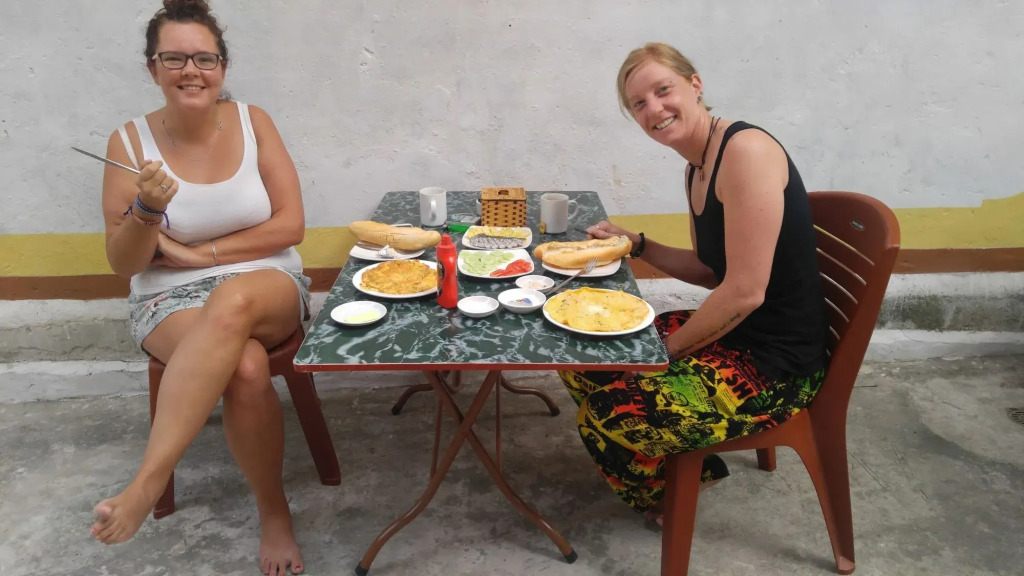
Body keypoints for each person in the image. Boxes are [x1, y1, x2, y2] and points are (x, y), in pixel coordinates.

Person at [561, 43, 829, 523]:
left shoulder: (745, 151)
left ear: (695, 85)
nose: (654, 109)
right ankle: (683, 466)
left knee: (606, 413)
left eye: (663, 90)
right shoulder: (698, 165)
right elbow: (710, 270)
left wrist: (666, 355)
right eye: (639, 104)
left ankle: (668, 495)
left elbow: (745, 291)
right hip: (739, 333)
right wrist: (637, 244)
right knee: (580, 353)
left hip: (777, 363)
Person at [90, 1, 310, 573]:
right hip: (168, 298)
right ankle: (274, 511)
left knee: (231, 300)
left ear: (222, 66)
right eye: (174, 58)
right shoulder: (128, 143)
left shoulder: (253, 121)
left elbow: (290, 225)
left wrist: (200, 254)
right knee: (246, 368)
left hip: (265, 281)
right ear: (153, 68)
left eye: (204, 58)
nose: (191, 70)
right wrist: (146, 210)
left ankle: (146, 482)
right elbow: (123, 264)